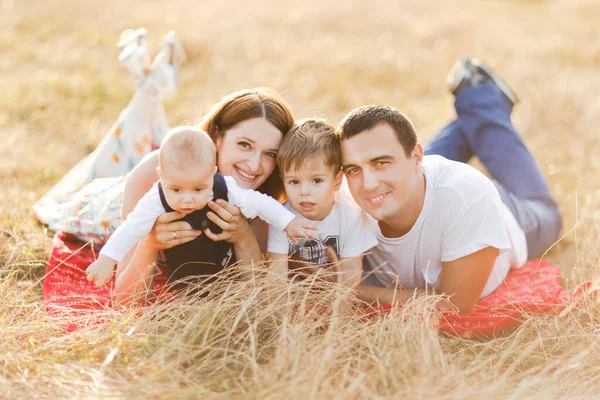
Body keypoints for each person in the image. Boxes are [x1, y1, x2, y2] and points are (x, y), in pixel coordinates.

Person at [338, 56, 562, 313]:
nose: (367, 184)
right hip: (418, 183)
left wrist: (352, 290)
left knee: (549, 214)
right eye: (353, 169)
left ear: (416, 158)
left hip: (505, 213)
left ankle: (481, 96)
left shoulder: (468, 198)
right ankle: (476, 112)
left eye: (380, 163)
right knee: (399, 170)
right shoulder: (342, 202)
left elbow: (455, 305)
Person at [113, 86, 297, 304]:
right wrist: (149, 245)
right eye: (244, 145)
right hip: (110, 206)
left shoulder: (266, 200)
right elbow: (124, 304)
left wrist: (243, 237)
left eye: (270, 154)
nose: (254, 165)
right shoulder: (152, 177)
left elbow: (259, 306)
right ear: (217, 138)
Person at [86, 127, 316, 287]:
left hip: (212, 274)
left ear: (212, 173)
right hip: (179, 275)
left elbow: (262, 204)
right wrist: (107, 260)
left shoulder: (226, 188)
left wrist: (290, 223)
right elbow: (130, 228)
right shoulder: (155, 198)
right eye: (176, 190)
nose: (186, 199)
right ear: (161, 177)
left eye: (198, 189)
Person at [267, 119, 378, 287]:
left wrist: (340, 312)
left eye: (317, 180)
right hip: (297, 292)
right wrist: (281, 313)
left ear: (337, 180)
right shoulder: (282, 217)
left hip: (339, 291)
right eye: (294, 182)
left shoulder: (350, 215)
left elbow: (350, 272)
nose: (304, 191)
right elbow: (277, 273)